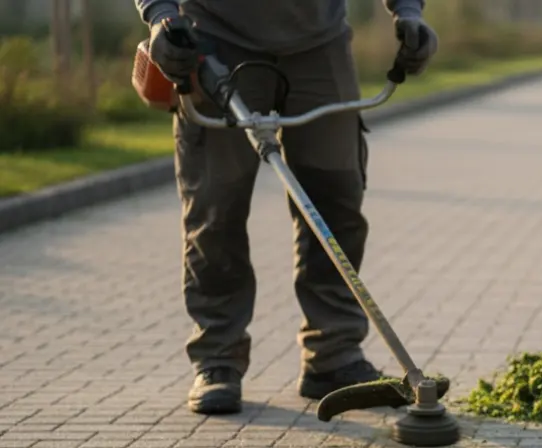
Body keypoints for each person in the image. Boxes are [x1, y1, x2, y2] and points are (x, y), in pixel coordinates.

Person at [136, 0, 438, 415]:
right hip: (213, 37)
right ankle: (217, 358)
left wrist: (409, 12)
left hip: (319, 43)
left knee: (337, 198)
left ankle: (333, 353)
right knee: (214, 210)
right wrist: (159, 16)